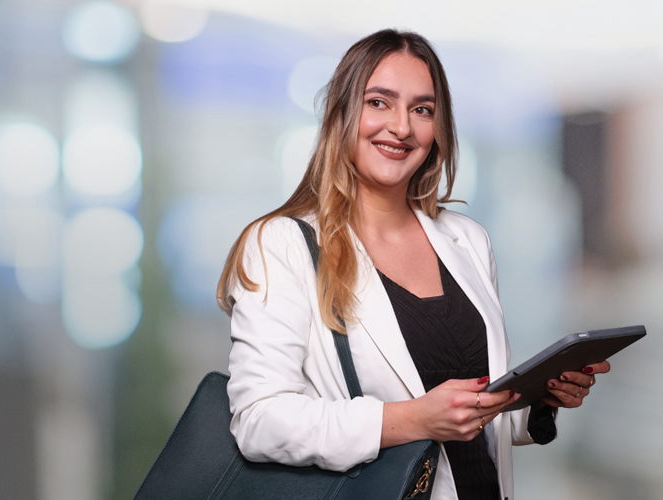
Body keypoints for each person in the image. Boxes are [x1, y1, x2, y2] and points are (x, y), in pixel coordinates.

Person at [217, 29, 610, 500]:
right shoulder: (283, 244)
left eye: (422, 110)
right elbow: (259, 420)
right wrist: (411, 418)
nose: (401, 127)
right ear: (341, 113)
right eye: (378, 102)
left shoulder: (466, 240)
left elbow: (475, 415)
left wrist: (539, 399)